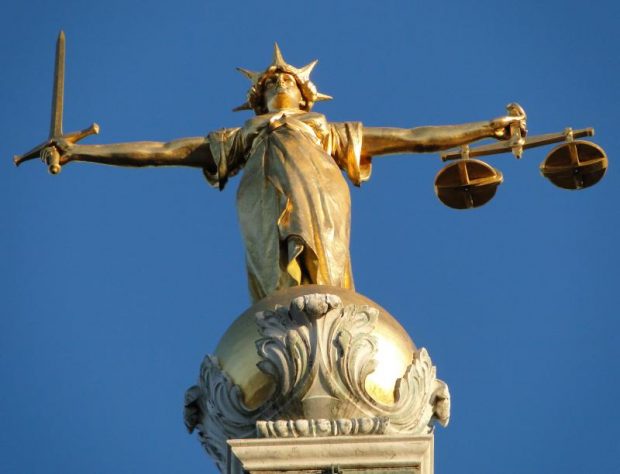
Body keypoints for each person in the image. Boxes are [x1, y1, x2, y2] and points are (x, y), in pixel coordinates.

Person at [45, 44, 525, 302]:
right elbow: (162, 150)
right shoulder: (242, 137)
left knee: (327, 277)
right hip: (259, 194)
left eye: (286, 79)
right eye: (269, 82)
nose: (277, 82)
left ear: (305, 92)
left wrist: (485, 128)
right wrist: (84, 153)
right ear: (254, 99)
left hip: (322, 191)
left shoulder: (324, 130)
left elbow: (413, 137)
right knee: (274, 278)